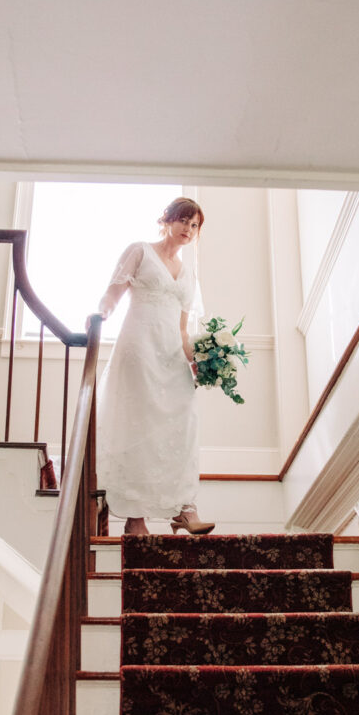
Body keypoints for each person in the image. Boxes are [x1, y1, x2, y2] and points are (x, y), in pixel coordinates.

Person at [94, 197, 214, 537]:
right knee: (138, 425)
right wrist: (99, 314)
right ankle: (135, 518)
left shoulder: (188, 272)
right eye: (184, 221)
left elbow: (181, 328)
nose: (188, 230)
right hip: (139, 346)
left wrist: (198, 362)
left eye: (195, 226)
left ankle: (185, 507)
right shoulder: (140, 251)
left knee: (183, 423)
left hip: (171, 353)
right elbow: (112, 295)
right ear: (167, 220)